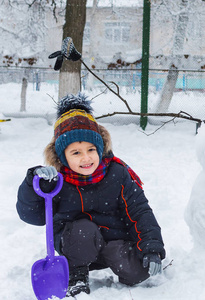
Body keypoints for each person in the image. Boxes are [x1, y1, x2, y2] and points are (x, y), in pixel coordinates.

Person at [17, 93, 165, 296]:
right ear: (62, 156)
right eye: (76, 152)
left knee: (137, 272)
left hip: (114, 244)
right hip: (76, 248)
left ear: (100, 148)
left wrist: (151, 248)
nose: (86, 158)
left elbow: (140, 212)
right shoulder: (56, 180)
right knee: (83, 230)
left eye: (91, 149)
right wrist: (32, 184)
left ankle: (126, 264)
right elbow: (33, 216)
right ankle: (76, 275)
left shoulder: (118, 173)